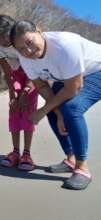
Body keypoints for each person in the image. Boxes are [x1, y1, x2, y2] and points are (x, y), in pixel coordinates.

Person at [10, 20, 101, 190]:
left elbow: (74, 88)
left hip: (96, 71)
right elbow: (42, 86)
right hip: (65, 76)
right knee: (54, 110)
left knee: (72, 108)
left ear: (39, 30)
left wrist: (42, 111)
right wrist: (56, 114)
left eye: (29, 42)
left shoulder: (65, 45)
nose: (28, 51)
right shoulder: (25, 58)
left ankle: (82, 168)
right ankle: (71, 159)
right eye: (21, 48)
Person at [0, 15, 38, 171]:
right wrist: (12, 92)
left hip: (33, 74)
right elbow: (6, 68)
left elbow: (35, 65)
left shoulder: (21, 38)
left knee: (28, 110)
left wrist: (26, 90)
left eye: (6, 35)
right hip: (16, 73)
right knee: (14, 109)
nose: (3, 40)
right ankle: (15, 152)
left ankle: (26, 153)